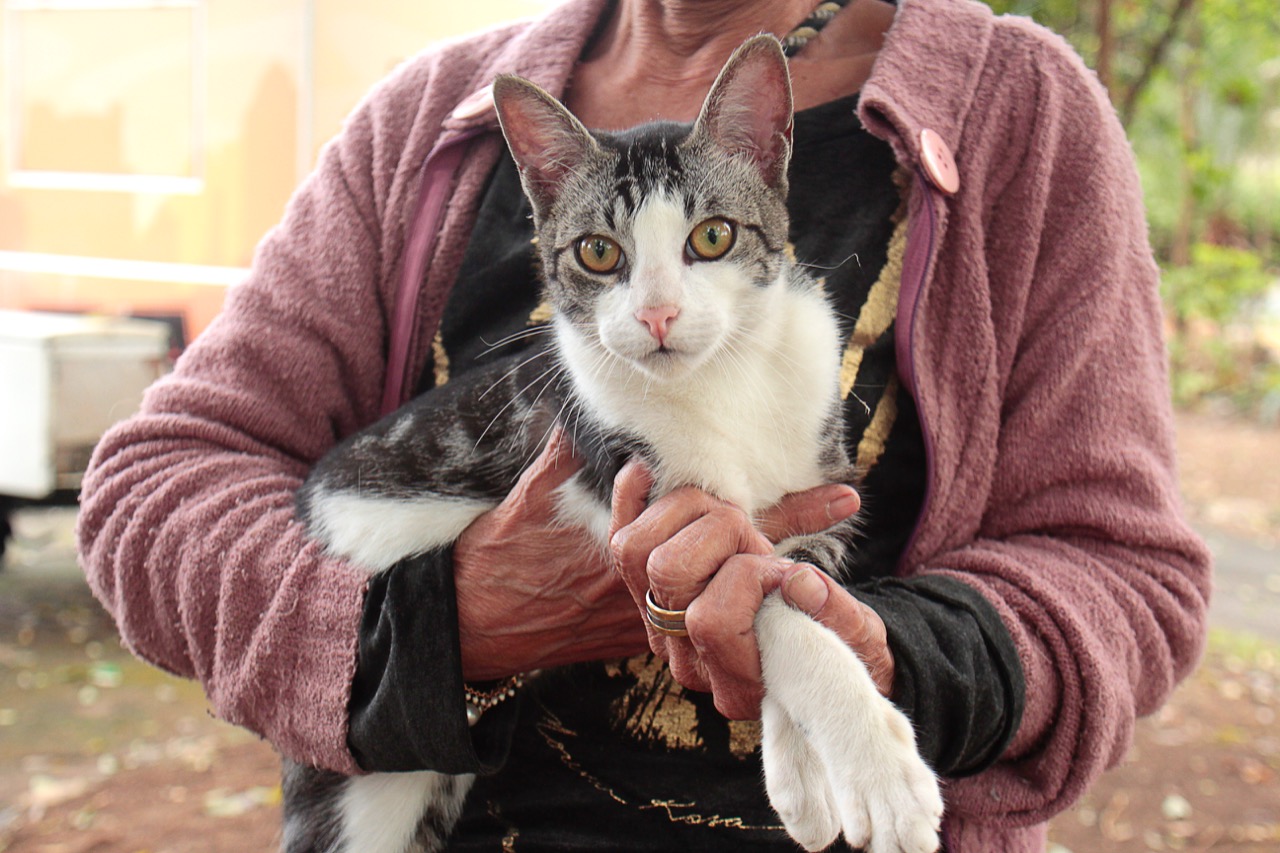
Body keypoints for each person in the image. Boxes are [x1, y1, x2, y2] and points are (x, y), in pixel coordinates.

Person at [77, 0, 1212, 850]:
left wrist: (880, 657)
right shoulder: (428, 121)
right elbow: (151, 492)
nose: (658, 305)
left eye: (710, 244)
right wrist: (428, 631)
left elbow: (1124, 573)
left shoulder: (1018, 115)